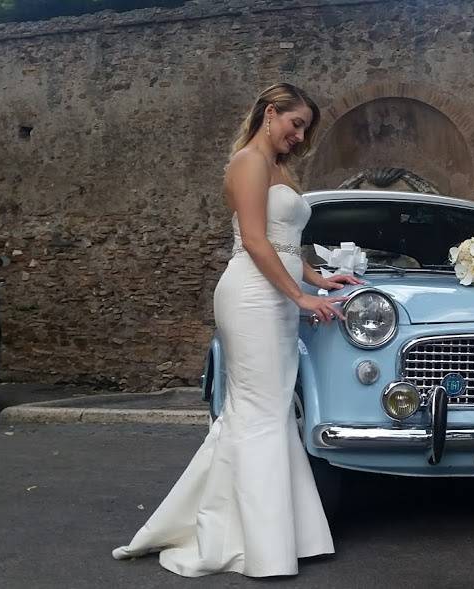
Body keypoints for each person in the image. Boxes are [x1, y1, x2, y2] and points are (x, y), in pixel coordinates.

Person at [113, 83, 361, 576]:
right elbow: (252, 239)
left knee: (266, 410)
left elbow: (286, 242)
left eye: (306, 127)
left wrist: (317, 277)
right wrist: (301, 297)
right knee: (259, 412)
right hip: (252, 297)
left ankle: (279, 533)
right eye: (296, 123)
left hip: (278, 296)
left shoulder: (281, 169)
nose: (300, 134)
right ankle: (256, 543)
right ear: (271, 113)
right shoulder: (248, 162)